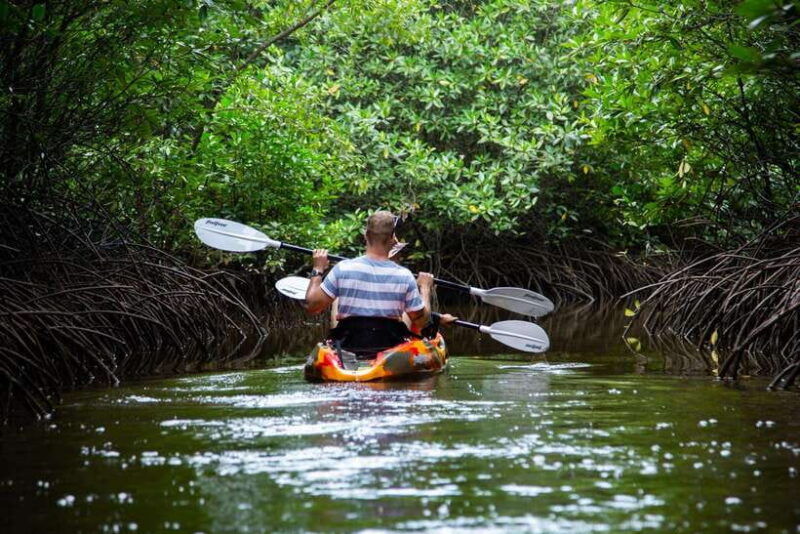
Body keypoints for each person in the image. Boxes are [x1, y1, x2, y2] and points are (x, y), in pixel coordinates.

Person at [304, 210, 447, 359]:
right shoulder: (405, 276)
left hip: (348, 346)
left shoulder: (342, 268)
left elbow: (312, 306)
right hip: (389, 350)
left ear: (366, 235)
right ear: (393, 239)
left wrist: (318, 268)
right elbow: (423, 322)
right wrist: (424, 288)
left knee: (337, 300)